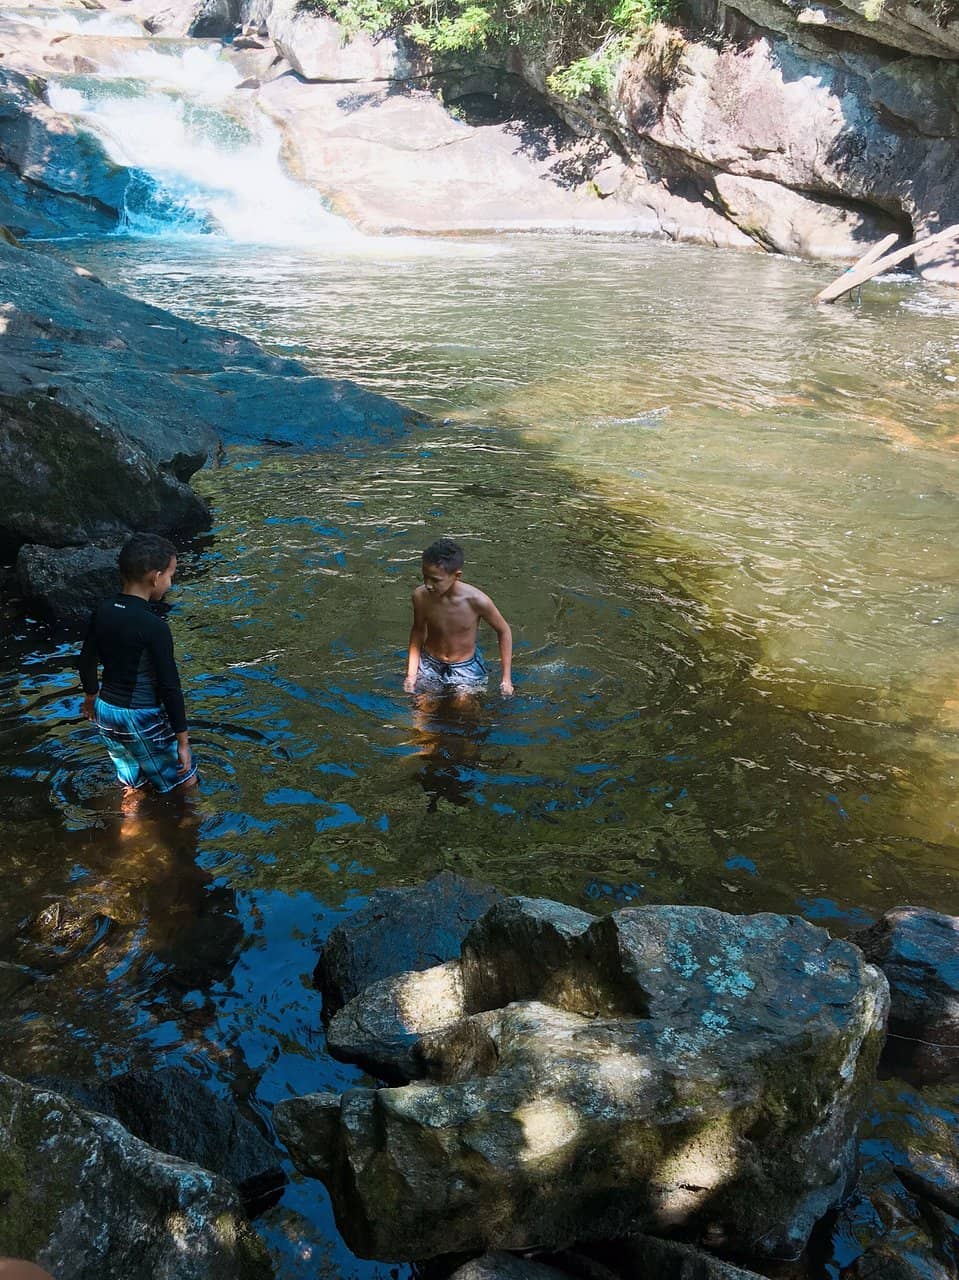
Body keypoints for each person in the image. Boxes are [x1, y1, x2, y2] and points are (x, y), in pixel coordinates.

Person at [78, 533, 198, 799]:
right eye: (170, 575)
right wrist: (182, 741)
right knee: (185, 780)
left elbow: (86, 660)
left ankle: (129, 829)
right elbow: (169, 685)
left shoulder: (103, 610)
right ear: (155, 577)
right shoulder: (154, 626)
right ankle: (191, 828)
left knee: (132, 784)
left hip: (106, 712)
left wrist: (90, 697)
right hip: (138, 715)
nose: (170, 582)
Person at [403, 537, 513, 697]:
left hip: (465, 666)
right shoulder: (421, 596)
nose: (428, 584)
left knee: (464, 711)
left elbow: (504, 631)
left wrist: (506, 679)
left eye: (435, 580)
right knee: (422, 708)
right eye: (424, 576)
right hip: (430, 662)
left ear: (457, 575)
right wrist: (411, 674)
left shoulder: (477, 601)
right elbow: (418, 631)